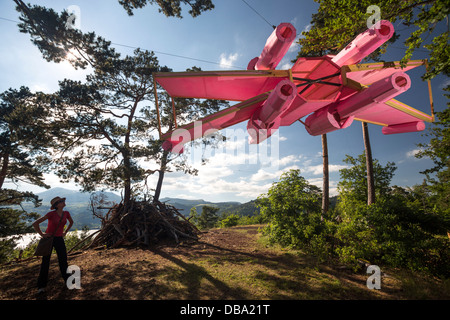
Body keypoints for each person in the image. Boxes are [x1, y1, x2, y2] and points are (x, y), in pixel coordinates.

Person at [32, 196, 73, 293]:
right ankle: (41, 286)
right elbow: (35, 223)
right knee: (45, 262)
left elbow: (71, 222)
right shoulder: (51, 214)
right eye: (62, 201)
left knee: (63, 260)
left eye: (63, 201)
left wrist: (65, 232)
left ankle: (68, 281)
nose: (64, 202)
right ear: (57, 204)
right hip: (49, 239)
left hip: (59, 239)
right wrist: (42, 234)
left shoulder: (66, 213)